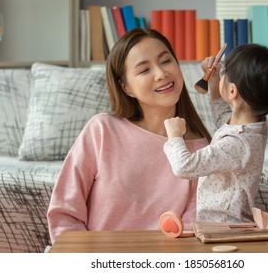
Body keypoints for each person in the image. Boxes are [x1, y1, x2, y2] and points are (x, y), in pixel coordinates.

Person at [47, 28, 211, 244]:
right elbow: (65, 214)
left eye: (165, 61)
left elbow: (193, 230)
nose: (161, 73)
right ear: (126, 87)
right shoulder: (102, 130)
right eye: (144, 70)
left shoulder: (201, 149)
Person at [163, 44, 268, 224]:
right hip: (223, 223)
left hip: (224, 225)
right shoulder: (253, 124)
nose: (221, 73)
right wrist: (215, 79)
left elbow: (185, 167)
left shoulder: (237, 144)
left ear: (232, 91)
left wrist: (175, 135)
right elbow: (222, 115)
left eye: (225, 72)